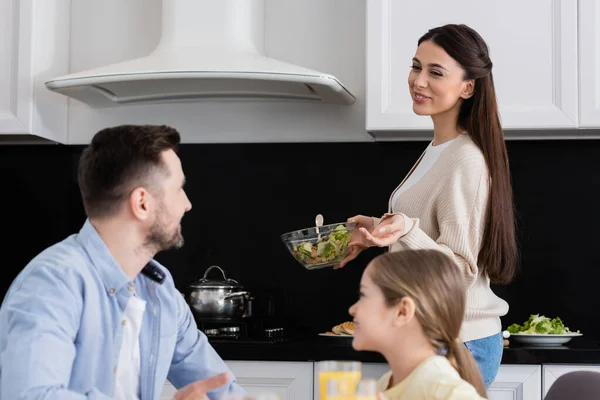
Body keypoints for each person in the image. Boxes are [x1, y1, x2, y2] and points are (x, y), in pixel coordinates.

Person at [0, 125, 245, 399]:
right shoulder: (52, 284)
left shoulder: (161, 293)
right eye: (178, 189)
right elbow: (31, 396)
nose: (187, 204)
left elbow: (223, 390)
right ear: (142, 203)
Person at [338, 24, 518, 387]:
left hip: (459, 340)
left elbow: (462, 268)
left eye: (435, 72)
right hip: (438, 336)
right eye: (416, 66)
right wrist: (378, 228)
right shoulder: (438, 149)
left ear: (468, 87)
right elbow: (428, 232)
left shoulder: (465, 158)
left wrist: (405, 229)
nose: (418, 81)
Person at [350, 249, 487, 400]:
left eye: (363, 295)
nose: (352, 309)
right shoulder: (384, 385)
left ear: (402, 311)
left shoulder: (444, 389)